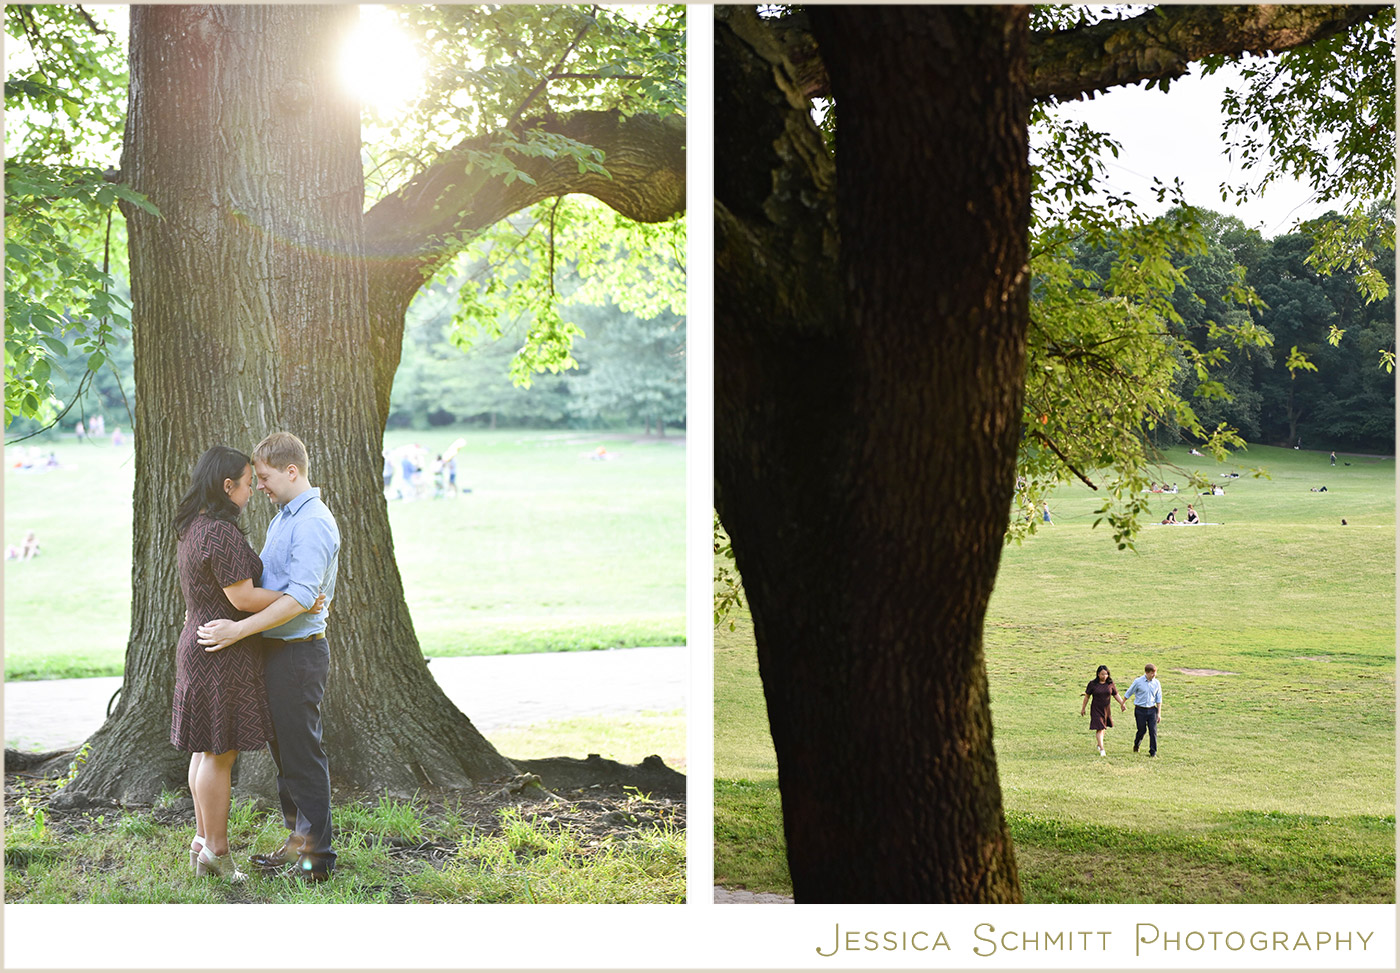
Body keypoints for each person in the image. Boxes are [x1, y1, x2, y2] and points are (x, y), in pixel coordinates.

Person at [171, 446, 325, 883]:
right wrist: (297, 596)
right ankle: (218, 851)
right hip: (223, 649)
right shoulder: (219, 532)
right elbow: (241, 598)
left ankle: (202, 842)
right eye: (246, 482)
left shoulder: (195, 526)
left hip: (203, 640)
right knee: (220, 753)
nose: (253, 490)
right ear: (227, 486)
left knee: (206, 750)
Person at [1079, 665, 1125, 757]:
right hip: (1096, 709)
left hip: (1106, 709)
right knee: (1100, 728)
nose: (1104, 676)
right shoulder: (1092, 684)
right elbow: (1087, 696)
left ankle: (1099, 744)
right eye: (1102, 674)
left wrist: (1122, 703)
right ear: (1098, 674)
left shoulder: (1110, 683)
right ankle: (1102, 749)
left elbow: (1116, 694)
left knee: (1103, 728)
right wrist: (1083, 708)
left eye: (1106, 674)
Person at [1121, 663, 1164, 757]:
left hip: (1152, 710)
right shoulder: (1138, 681)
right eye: (1152, 673)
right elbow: (1129, 692)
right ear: (1147, 672)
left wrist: (1159, 713)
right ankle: (1136, 744)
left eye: (1155, 673)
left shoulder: (1157, 683)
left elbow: (1159, 699)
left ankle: (1153, 752)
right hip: (1140, 710)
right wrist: (1123, 703)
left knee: (1153, 731)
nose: (1154, 675)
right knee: (1142, 730)